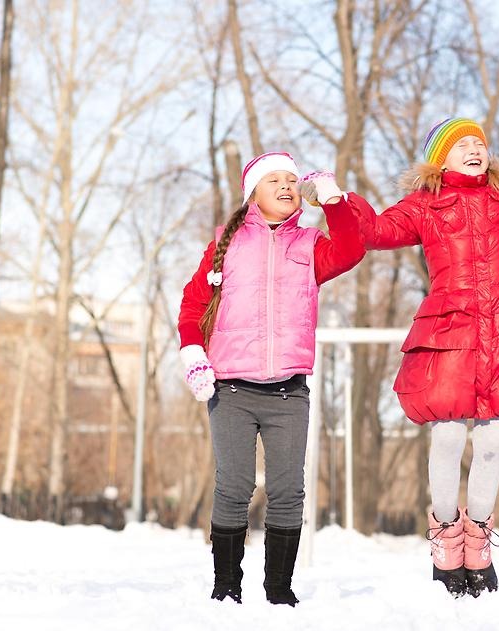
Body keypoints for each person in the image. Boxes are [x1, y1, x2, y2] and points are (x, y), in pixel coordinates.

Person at [346, 104, 499, 597]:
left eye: (479, 142)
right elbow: (374, 232)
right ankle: (446, 540)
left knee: (492, 441)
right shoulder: (424, 207)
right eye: (461, 144)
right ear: (440, 161)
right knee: (448, 437)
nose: (474, 148)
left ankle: (479, 544)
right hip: (452, 332)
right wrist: (340, 200)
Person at [177, 152, 363, 606]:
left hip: (288, 392)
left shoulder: (310, 244)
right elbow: (192, 302)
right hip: (231, 389)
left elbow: (352, 249)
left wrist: (335, 202)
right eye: (273, 179)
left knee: (287, 489)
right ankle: (226, 587)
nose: (285, 185)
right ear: (252, 194)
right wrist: (193, 353)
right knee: (234, 485)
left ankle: (279, 589)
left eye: (292, 180)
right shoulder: (227, 243)